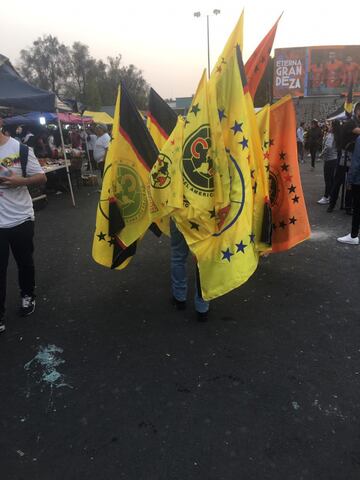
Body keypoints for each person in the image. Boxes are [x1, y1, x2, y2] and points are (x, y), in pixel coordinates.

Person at [0, 114, 47, 333]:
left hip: (20, 217)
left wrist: (21, 181)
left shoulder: (20, 149)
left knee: (24, 262)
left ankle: (27, 295)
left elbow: (41, 177)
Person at [170, 220, 209, 322]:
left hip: (179, 214)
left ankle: (179, 298)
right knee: (202, 261)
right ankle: (202, 307)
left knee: (178, 256)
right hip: (204, 217)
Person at [327, 102, 360, 213]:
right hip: (345, 156)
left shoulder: (357, 122)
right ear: (357, 111)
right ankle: (331, 204)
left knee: (351, 182)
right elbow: (358, 131)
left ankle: (348, 206)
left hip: (354, 156)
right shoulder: (351, 122)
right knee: (338, 181)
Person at [337, 135, 360, 245]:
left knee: (357, 208)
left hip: (358, 180)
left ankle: (354, 235)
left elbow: (356, 161)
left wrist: (350, 180)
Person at [317, 122, 338, 204]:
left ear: (333, 127)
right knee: (331, 179)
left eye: (330, 125)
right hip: (334, 159)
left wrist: (321, 154)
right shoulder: (336, 135)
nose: (328, 126)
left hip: (329, 160)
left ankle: (326, 196)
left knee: (328, 179)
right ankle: (330, 195)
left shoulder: (330, 136)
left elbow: (328, 147)